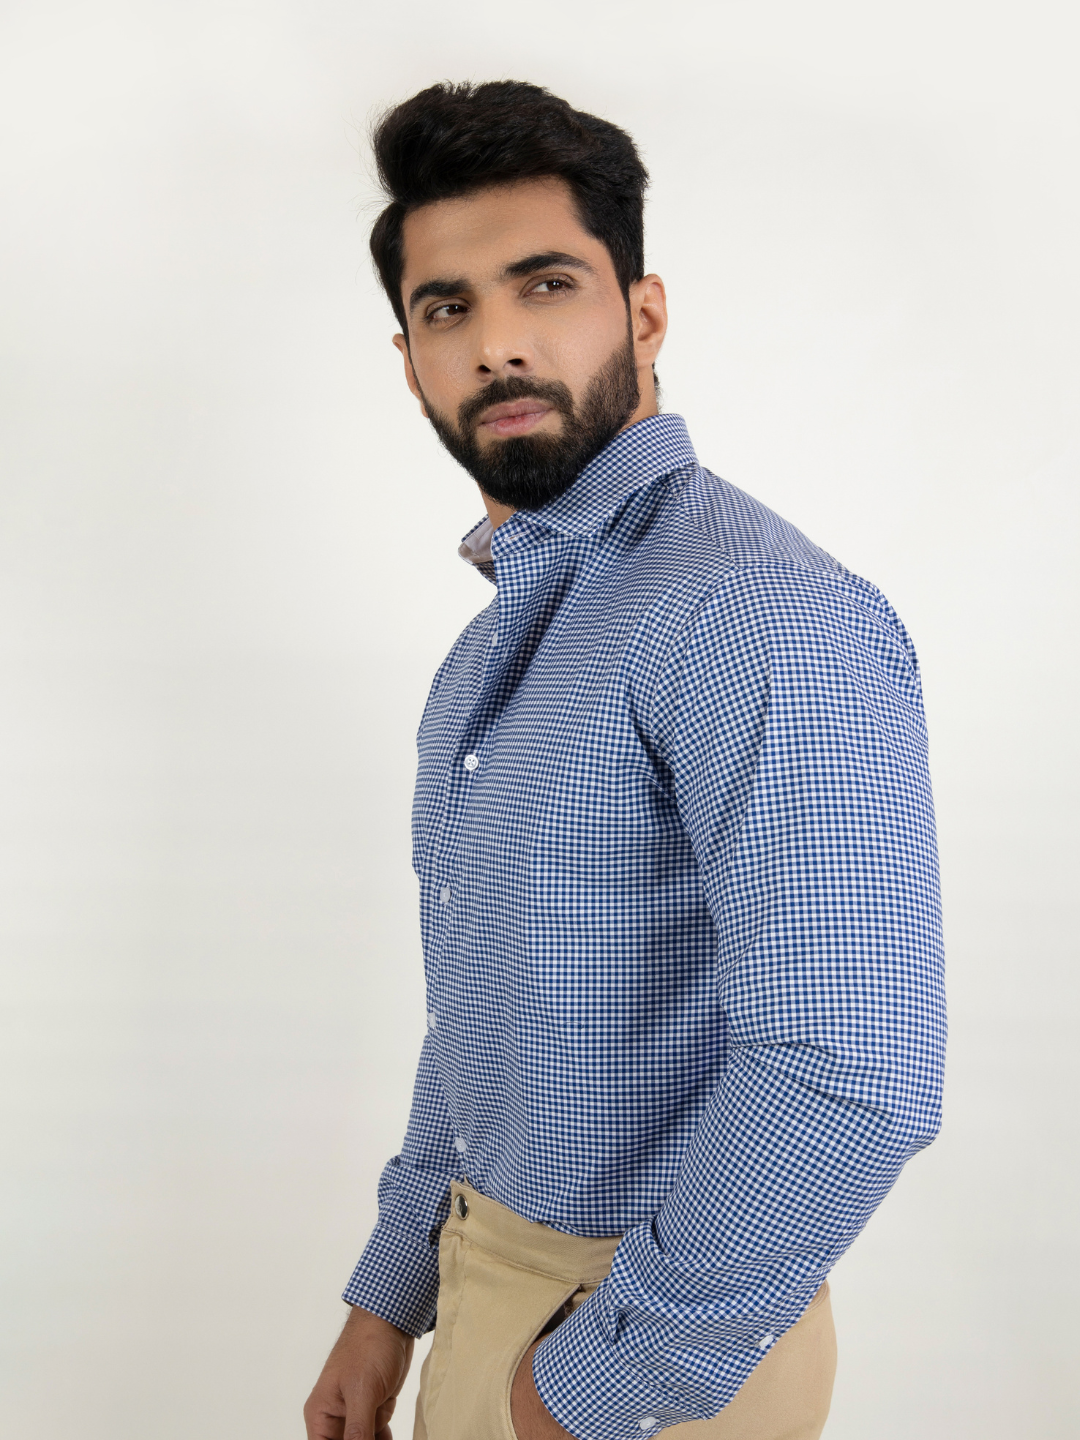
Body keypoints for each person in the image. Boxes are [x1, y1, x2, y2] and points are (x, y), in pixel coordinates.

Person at [304, 80, 946, 1440]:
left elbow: (850, 1069)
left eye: (546, 285)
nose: (496, 344)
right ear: (410, 361)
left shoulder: (757, 612)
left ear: (644, 316)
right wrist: (392, 1298)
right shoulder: (492, 659)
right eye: (448, 309)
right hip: (491, 1289)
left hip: (644, 1345)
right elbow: (487, 1010)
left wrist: (591, 1387)